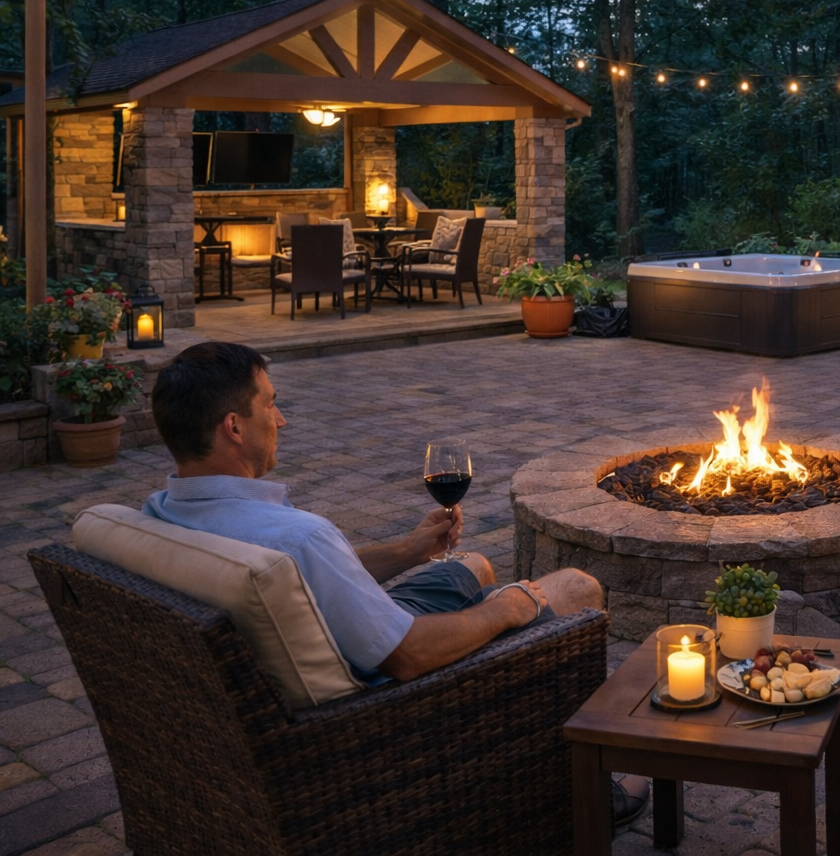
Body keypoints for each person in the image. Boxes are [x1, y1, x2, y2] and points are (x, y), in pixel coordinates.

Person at [144, 341, 649, 821]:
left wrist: (407, 552)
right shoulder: (298, 537)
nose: (281, 419)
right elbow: (406, 656)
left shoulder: (160, 513)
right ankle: (581, 795)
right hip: (371, 700)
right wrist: (504, 610)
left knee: (471, 563)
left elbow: (298, 577)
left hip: (309, 645)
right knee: (575, 589)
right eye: (270, 405)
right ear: (234, 426)